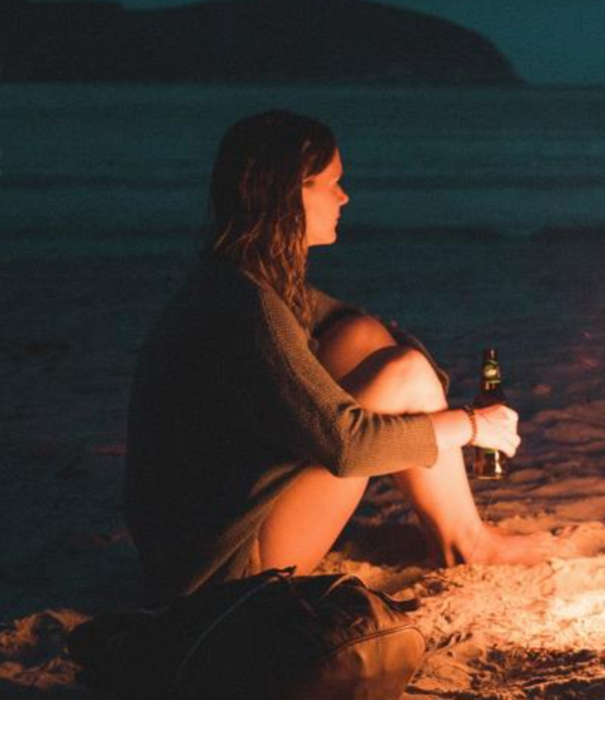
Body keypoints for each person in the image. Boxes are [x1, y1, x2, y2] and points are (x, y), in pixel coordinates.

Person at [125, 110, 540, 599]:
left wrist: (426, 390)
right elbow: (349, 448)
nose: (344, 197)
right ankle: (467, 542)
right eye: (331, 184)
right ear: (289, 193)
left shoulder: (237, 279)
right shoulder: (250, 309)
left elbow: (366, 331)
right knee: (404, 374)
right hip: (225, 572)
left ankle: (462, 534)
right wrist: (471, 426)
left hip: (190, 546)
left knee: (361, 336)